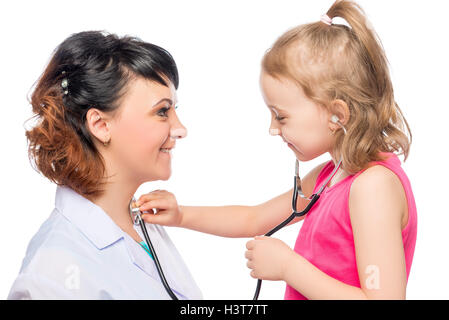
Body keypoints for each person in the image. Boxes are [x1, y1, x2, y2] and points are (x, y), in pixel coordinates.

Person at [135, 0, 417, 299]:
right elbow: (253, 219)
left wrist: (288, 267)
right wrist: (181, 215)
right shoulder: (329, 176)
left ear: (338, 115)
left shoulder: (373, 187)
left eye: (281, 116)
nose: (273, 128)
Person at [8, 30, 202, 299]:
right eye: (162, 111)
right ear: (100, 125)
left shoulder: (141, 224)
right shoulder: (52, 274)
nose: (180, 130)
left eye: (174, 111)